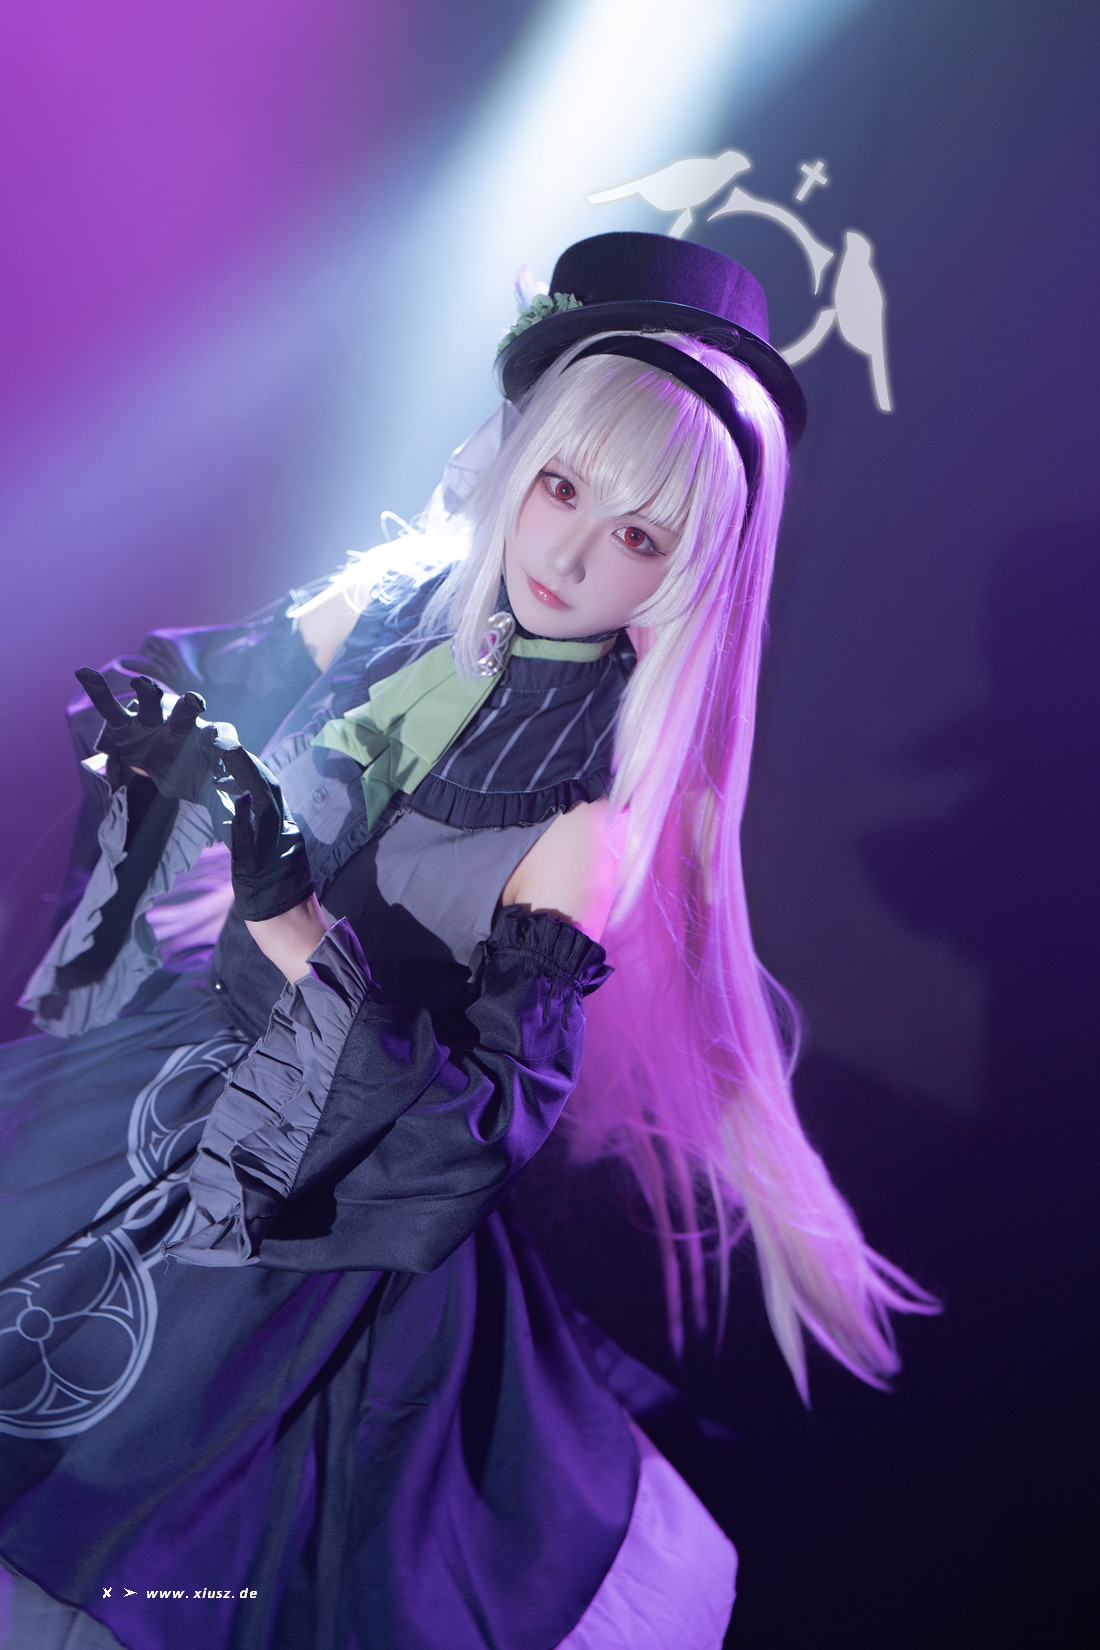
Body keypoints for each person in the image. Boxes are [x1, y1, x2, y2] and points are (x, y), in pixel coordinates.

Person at [0, 232, 933, 1650]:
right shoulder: (394, 612)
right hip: (149, 1081)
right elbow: (190, 684)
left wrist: (292, 921)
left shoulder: (588, 821)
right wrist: (163, 754)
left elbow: (471, 1131)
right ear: (519, 459)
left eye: (642, 537)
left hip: (317, 1219)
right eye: (562, 487)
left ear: (690, 575)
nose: (573, 552)